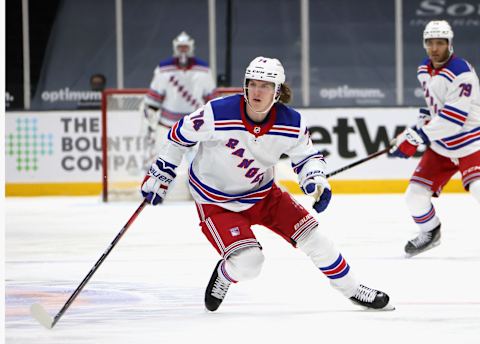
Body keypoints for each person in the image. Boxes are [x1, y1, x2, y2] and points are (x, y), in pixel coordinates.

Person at [141, 56, 394, 311]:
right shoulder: (217, 112)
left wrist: (315, 178)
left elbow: (307, 157)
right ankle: (225, 274)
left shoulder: (291, 123)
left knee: (317, 240)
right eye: (252, 83)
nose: (257, 91)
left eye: (265, 85)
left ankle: (352, 289)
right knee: (250, 263)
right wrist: (161, 172)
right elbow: (178, 136)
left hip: (264, 195)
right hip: (216, 201)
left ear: (277, 92)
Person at [390, 20, 480, 257]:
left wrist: (419, 136)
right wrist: (414, 129)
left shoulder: (461, 73)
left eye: (440, 43)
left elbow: (453, 119)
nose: (434, 48)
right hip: (442, 147)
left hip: (471, 143)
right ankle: (430, 231)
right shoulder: (424, 69)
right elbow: (435, 107)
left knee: (479, 188)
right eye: (430, 43)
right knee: (414, 196)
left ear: (449, 44)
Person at [142, 31, 216, 150]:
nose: (183, 50)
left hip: (195, 126)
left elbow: (212, 100)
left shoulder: (204, 69)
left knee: (196, 165)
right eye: (180, 47)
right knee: (165, 163)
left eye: (185, 47)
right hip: (167, 126)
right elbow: (152, 102)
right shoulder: (163, 69)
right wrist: (151, 124)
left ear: (191, 47)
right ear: (175, 47)